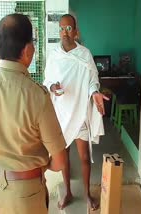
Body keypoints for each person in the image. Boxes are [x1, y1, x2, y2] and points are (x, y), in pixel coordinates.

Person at [0, 13, 67, 214]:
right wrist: (41, 167)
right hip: (26, 194)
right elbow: (60, 160)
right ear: (28, 50)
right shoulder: (37, 95)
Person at [43, 14, 109, 210]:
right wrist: (53, 87)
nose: (65, 32)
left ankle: (87, 194)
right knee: (63, 158)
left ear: (76, 31)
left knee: (84, 158)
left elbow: (91, 81)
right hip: (60, 115)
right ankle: (68, 192)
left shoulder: (85, 54)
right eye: (62, 28)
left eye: (69, 28)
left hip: (80, 113)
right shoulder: (54, 54)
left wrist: (95, 92)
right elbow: (47, 81)